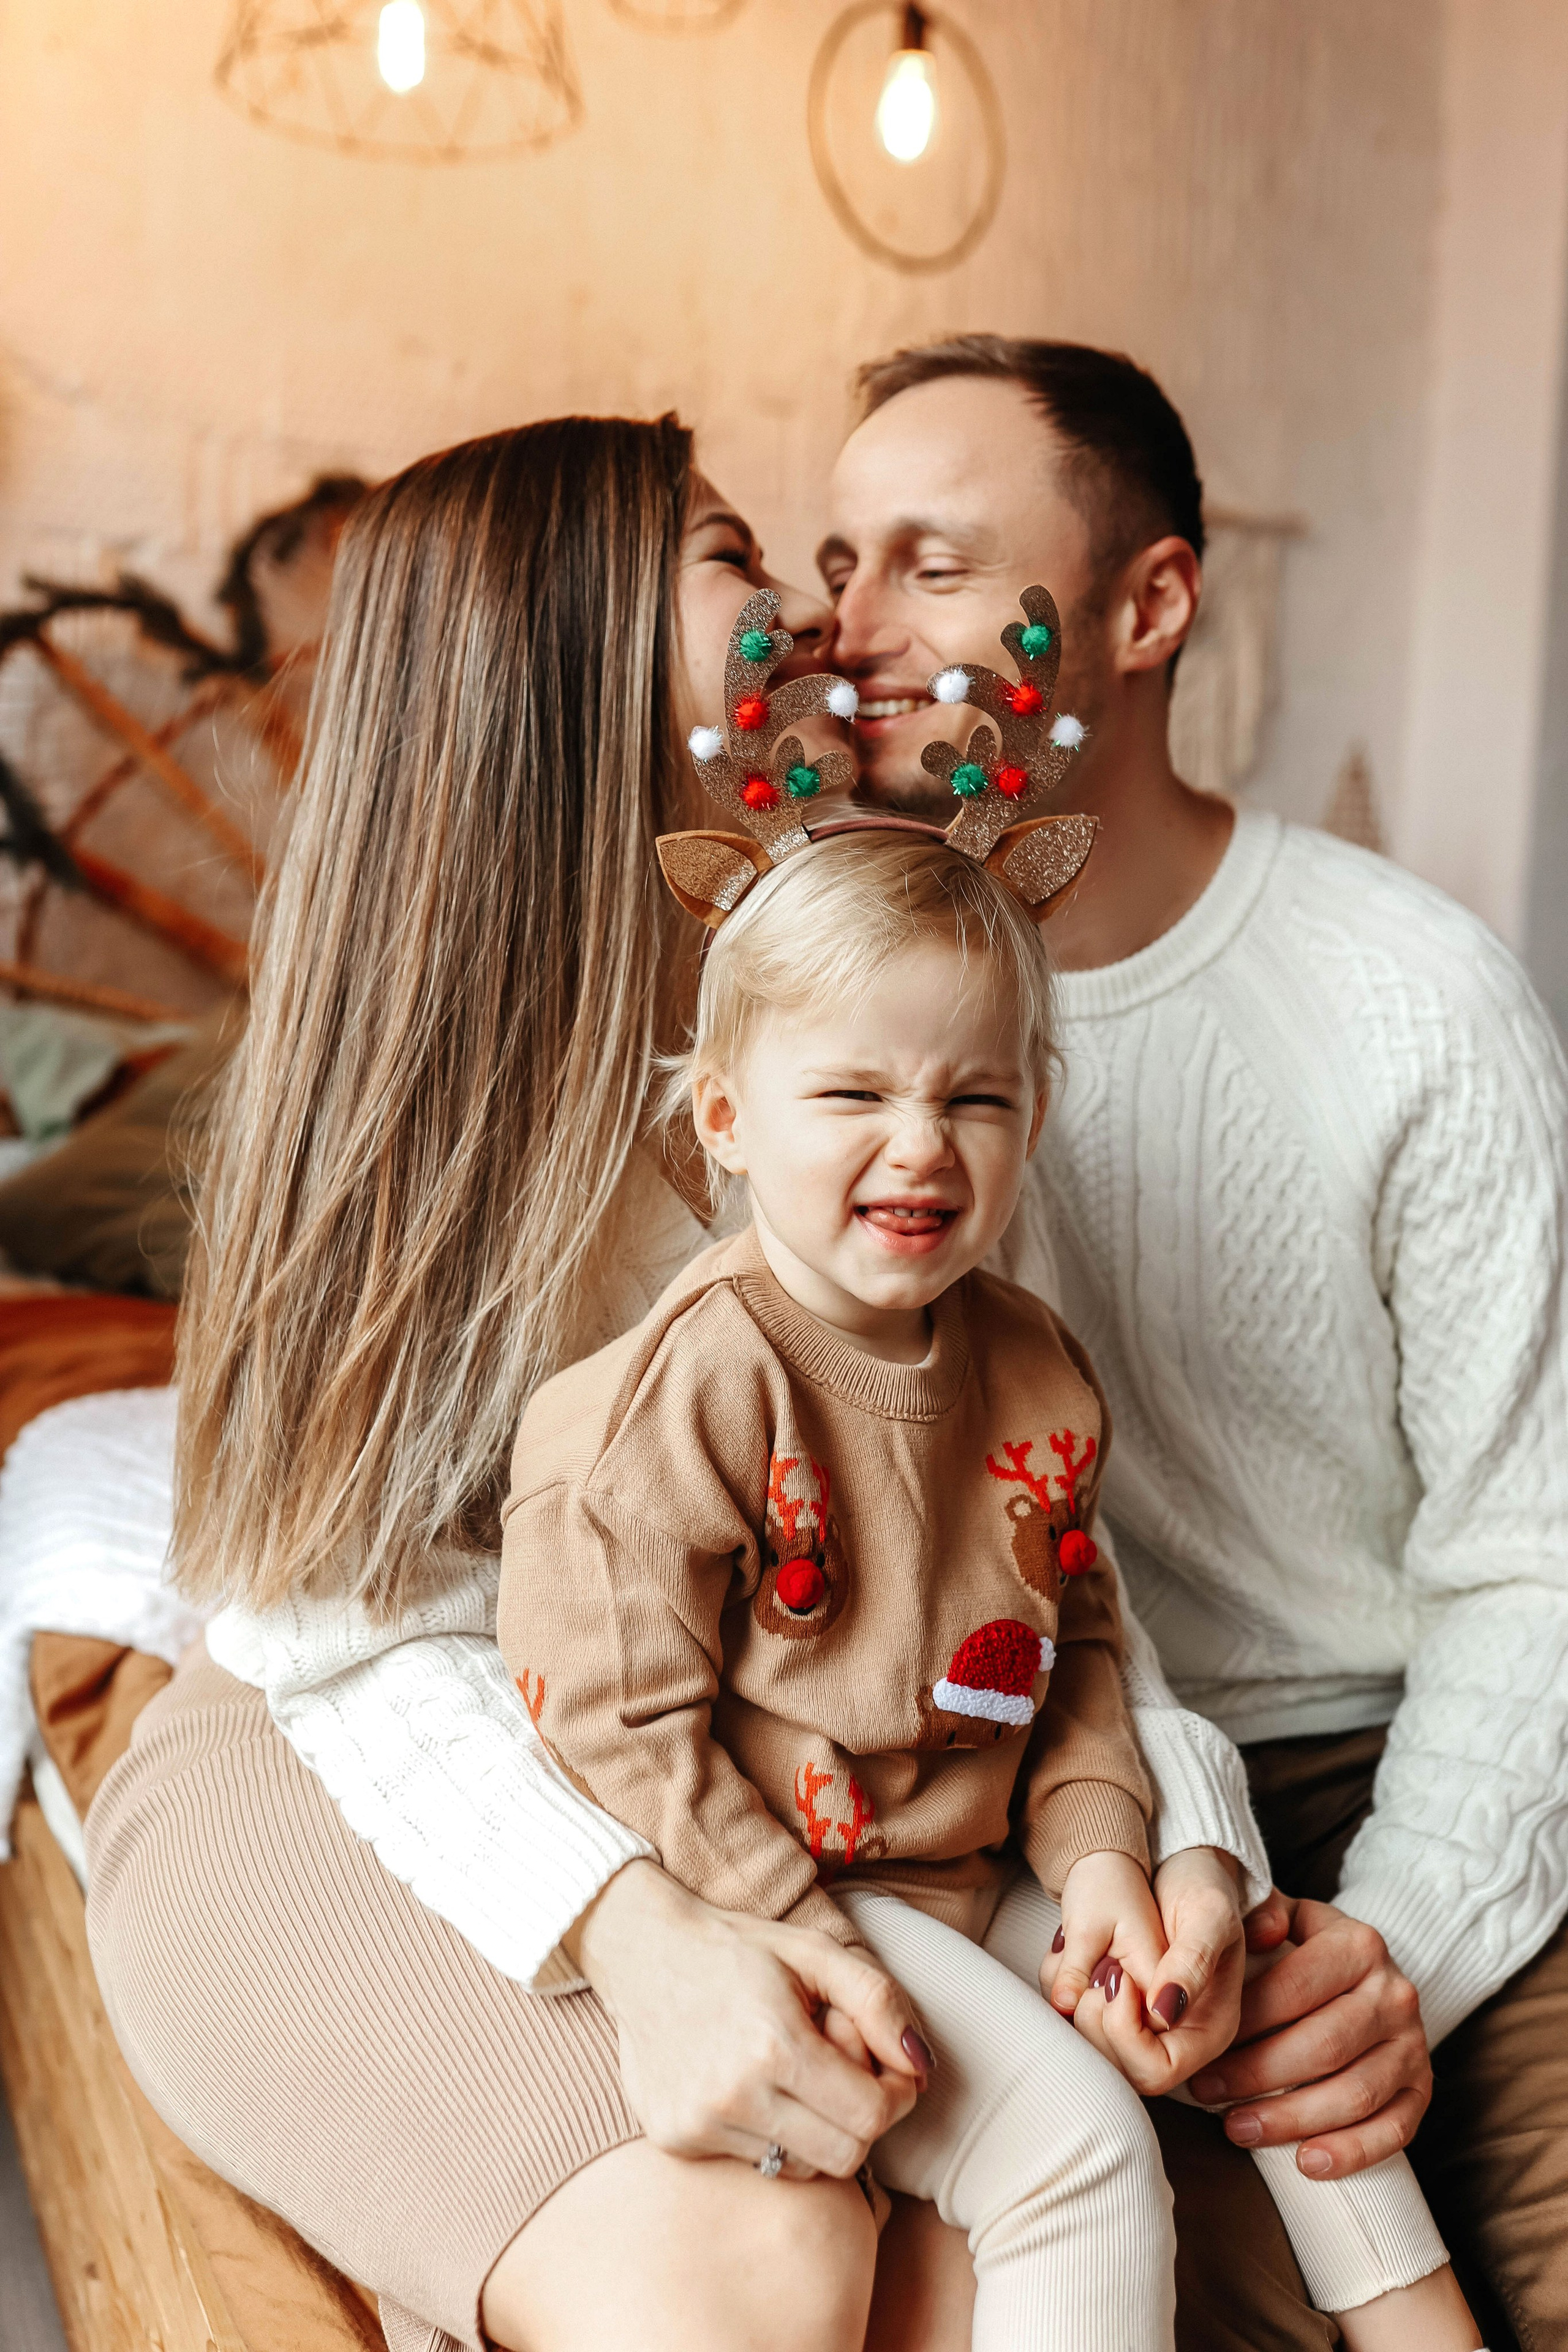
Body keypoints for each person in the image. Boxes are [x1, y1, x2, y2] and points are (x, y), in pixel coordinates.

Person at [85, 415, 1270, 2352]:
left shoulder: (898, 1035)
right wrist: (639, 1927)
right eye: (737, 557)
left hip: (742, 1771)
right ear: (564, 649)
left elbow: (1026, 1552)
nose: (817, 611)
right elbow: (338, 1620)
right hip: (353, 1738)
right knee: (768, 2269)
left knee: (1022, 2250)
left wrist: (1183, 1843)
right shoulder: (430, 1112)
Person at [499, 778, 1480, 2352]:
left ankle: (1421, 2326)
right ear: (726, 1118)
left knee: (1241, 1993)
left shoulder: (1027, 1363)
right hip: (793, 1884)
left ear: (1034, 1112)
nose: (920, 1146)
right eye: (853, 1093)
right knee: (1075, 2156)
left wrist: (1102, 1866)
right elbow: (609, 1722)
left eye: (975, 1099)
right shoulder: (693, 1390)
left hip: (984, 1864)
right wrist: (798, 1940)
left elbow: (1073, 1647)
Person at [820, 333, 1568, 2351]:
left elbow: (1535, 1559)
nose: (854, 631)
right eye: (839, 563)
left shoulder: (1422, 1001)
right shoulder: (807, 1028)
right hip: (1037, 1797)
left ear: (1148, 608)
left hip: (1402, 1753)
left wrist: (1394, 1945)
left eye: (935, 566)